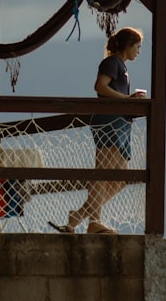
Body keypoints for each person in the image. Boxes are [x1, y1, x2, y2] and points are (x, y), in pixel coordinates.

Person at [50, 27, 146, 234]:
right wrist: (127, 100)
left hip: (119, 124)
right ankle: (94, 221)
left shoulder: (120, 66)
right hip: (109, 122)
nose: (139, 51)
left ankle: (76, 218)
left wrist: (128, 102)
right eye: (137, 47)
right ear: (128, 46)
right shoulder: (111, 63)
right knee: (103, 171)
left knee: (120, 180)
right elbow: (100, 87)